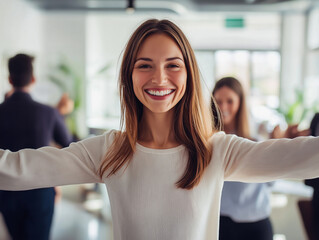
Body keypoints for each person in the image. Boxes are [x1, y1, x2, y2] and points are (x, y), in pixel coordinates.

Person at [0, 19, 319, 240]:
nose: (160, 78)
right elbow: (14, 170)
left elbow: (306, 156)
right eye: (145, 65)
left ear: (189, 75)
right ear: (129, 76)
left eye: (172, 65)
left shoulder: (217, 151)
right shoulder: (109, 151)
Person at [0, 53, 73, 240]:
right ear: (33, 79)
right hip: (40, 191)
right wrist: (62, 115)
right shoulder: (48, 113)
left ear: (9, 79)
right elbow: (68, 144)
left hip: (6, 192)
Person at [212, 77, 273, 240]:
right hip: (221, 222)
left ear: (240, 103)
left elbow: (271, 181)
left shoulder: (255, 142)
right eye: (218, 100)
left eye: (230, 101)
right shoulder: (209, 144)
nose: (223, 106)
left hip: (256, 224)